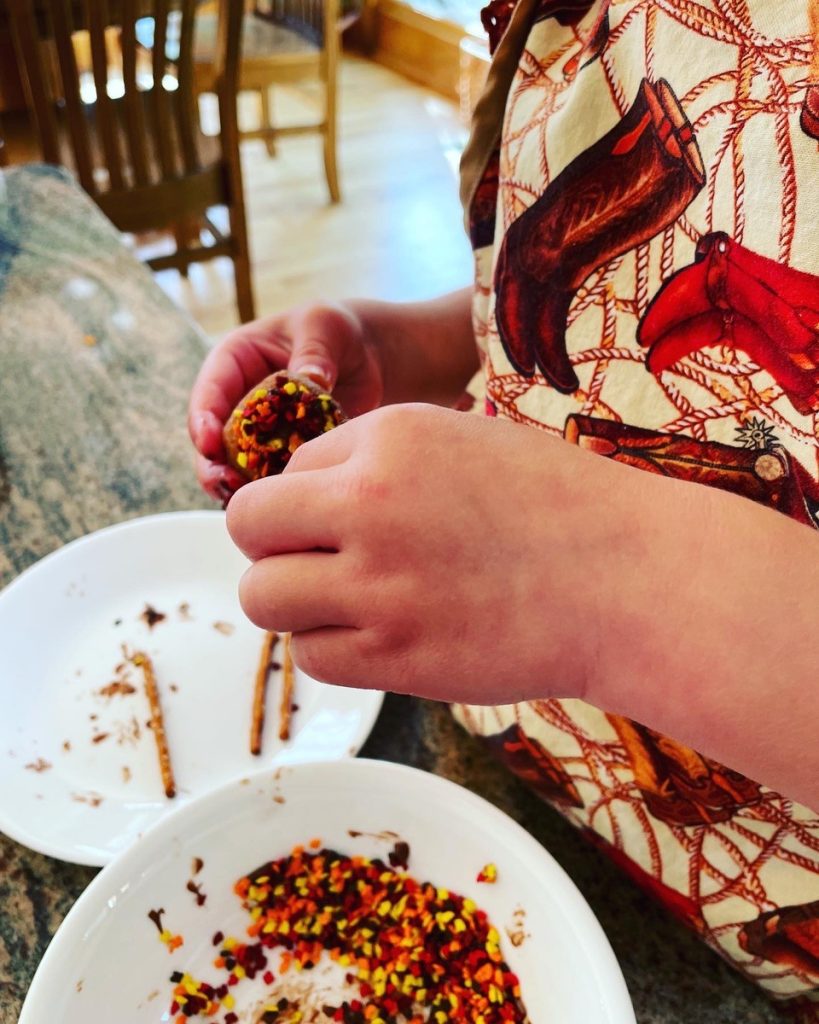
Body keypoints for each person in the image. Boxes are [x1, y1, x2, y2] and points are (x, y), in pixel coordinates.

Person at [190, 0, 819, 1010]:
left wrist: (591, 577)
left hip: (754, 951)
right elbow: (605, 277)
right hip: (523, 773)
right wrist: (416, 347)